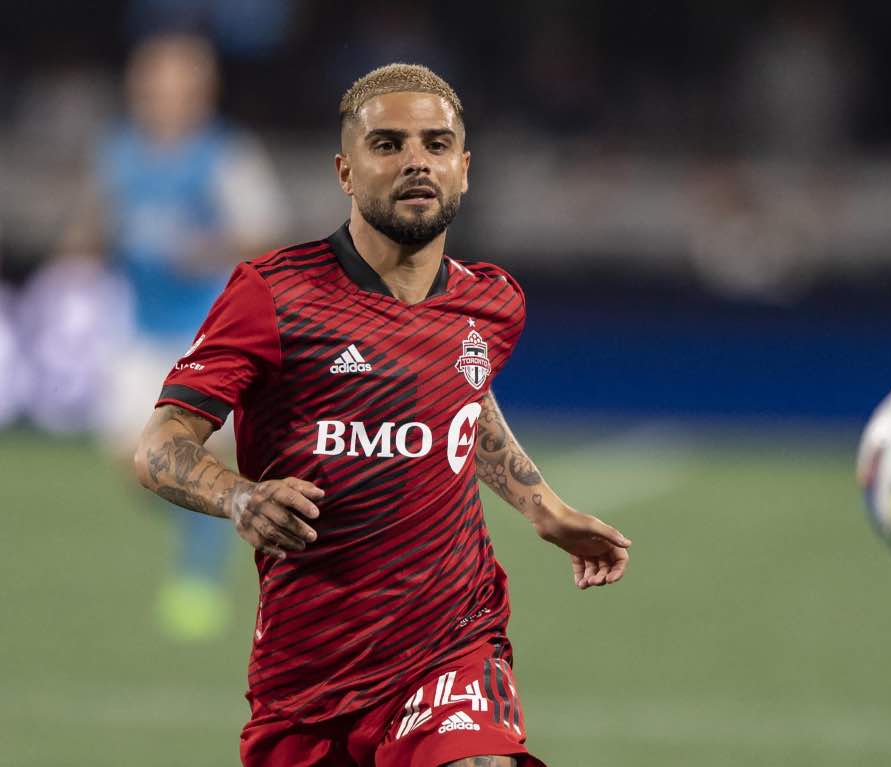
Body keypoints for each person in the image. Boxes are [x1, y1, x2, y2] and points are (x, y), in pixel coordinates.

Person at [133, 63, 631, 767]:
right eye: (388, 144)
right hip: (308, 676)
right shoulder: (272, 295)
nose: (416, 162)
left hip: (453, 645)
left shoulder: (493, 303)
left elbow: (462, 396)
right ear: (345, 169)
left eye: (435, 143)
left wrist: (543, 506)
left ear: (464, 168)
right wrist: (237, 495)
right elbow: (159, 445)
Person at [60, 33, 288, 639]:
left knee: (179, 454)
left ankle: (200, 576)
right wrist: (80, 247)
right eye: (155, 85)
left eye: (178, 87)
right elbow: (98, 215)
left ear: (199, 93)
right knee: (131, 463)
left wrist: (206, 248)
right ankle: (221, 513)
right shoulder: (120, 153)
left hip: (205, 335)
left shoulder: (225, 156)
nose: (164, 98)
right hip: (138, 332)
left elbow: (266, 234)